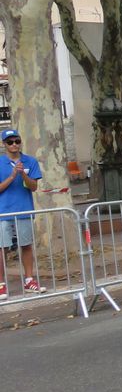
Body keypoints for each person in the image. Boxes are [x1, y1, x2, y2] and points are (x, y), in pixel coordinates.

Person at [0, 128, 45, 299]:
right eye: (10, 142)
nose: (14, 145)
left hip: (24, 209)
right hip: (3, 212)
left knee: (26, 245)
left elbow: (33, 187)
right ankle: (1, 285)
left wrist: (23, 176)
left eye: (17, 141)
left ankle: (29, 280)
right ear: (4, 144)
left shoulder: (30, 161)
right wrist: (12, 176)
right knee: (1, 248)